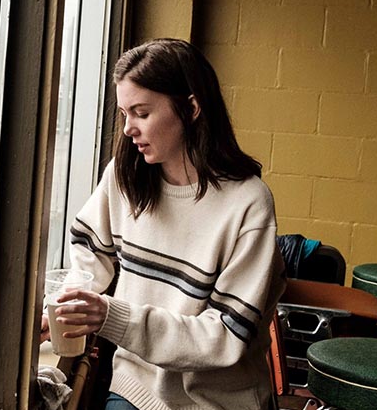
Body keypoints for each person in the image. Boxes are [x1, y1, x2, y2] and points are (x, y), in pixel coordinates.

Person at [43, 38, 285, 410]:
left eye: (141, 113)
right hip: (134, 390)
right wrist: (64, 307)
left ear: (190, 108)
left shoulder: (248, 203)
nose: (128, 129)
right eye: (124, 114)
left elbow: (223, 336)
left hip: (217, 402)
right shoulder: (123, 178)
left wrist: (110, 316)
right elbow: (90, 257)